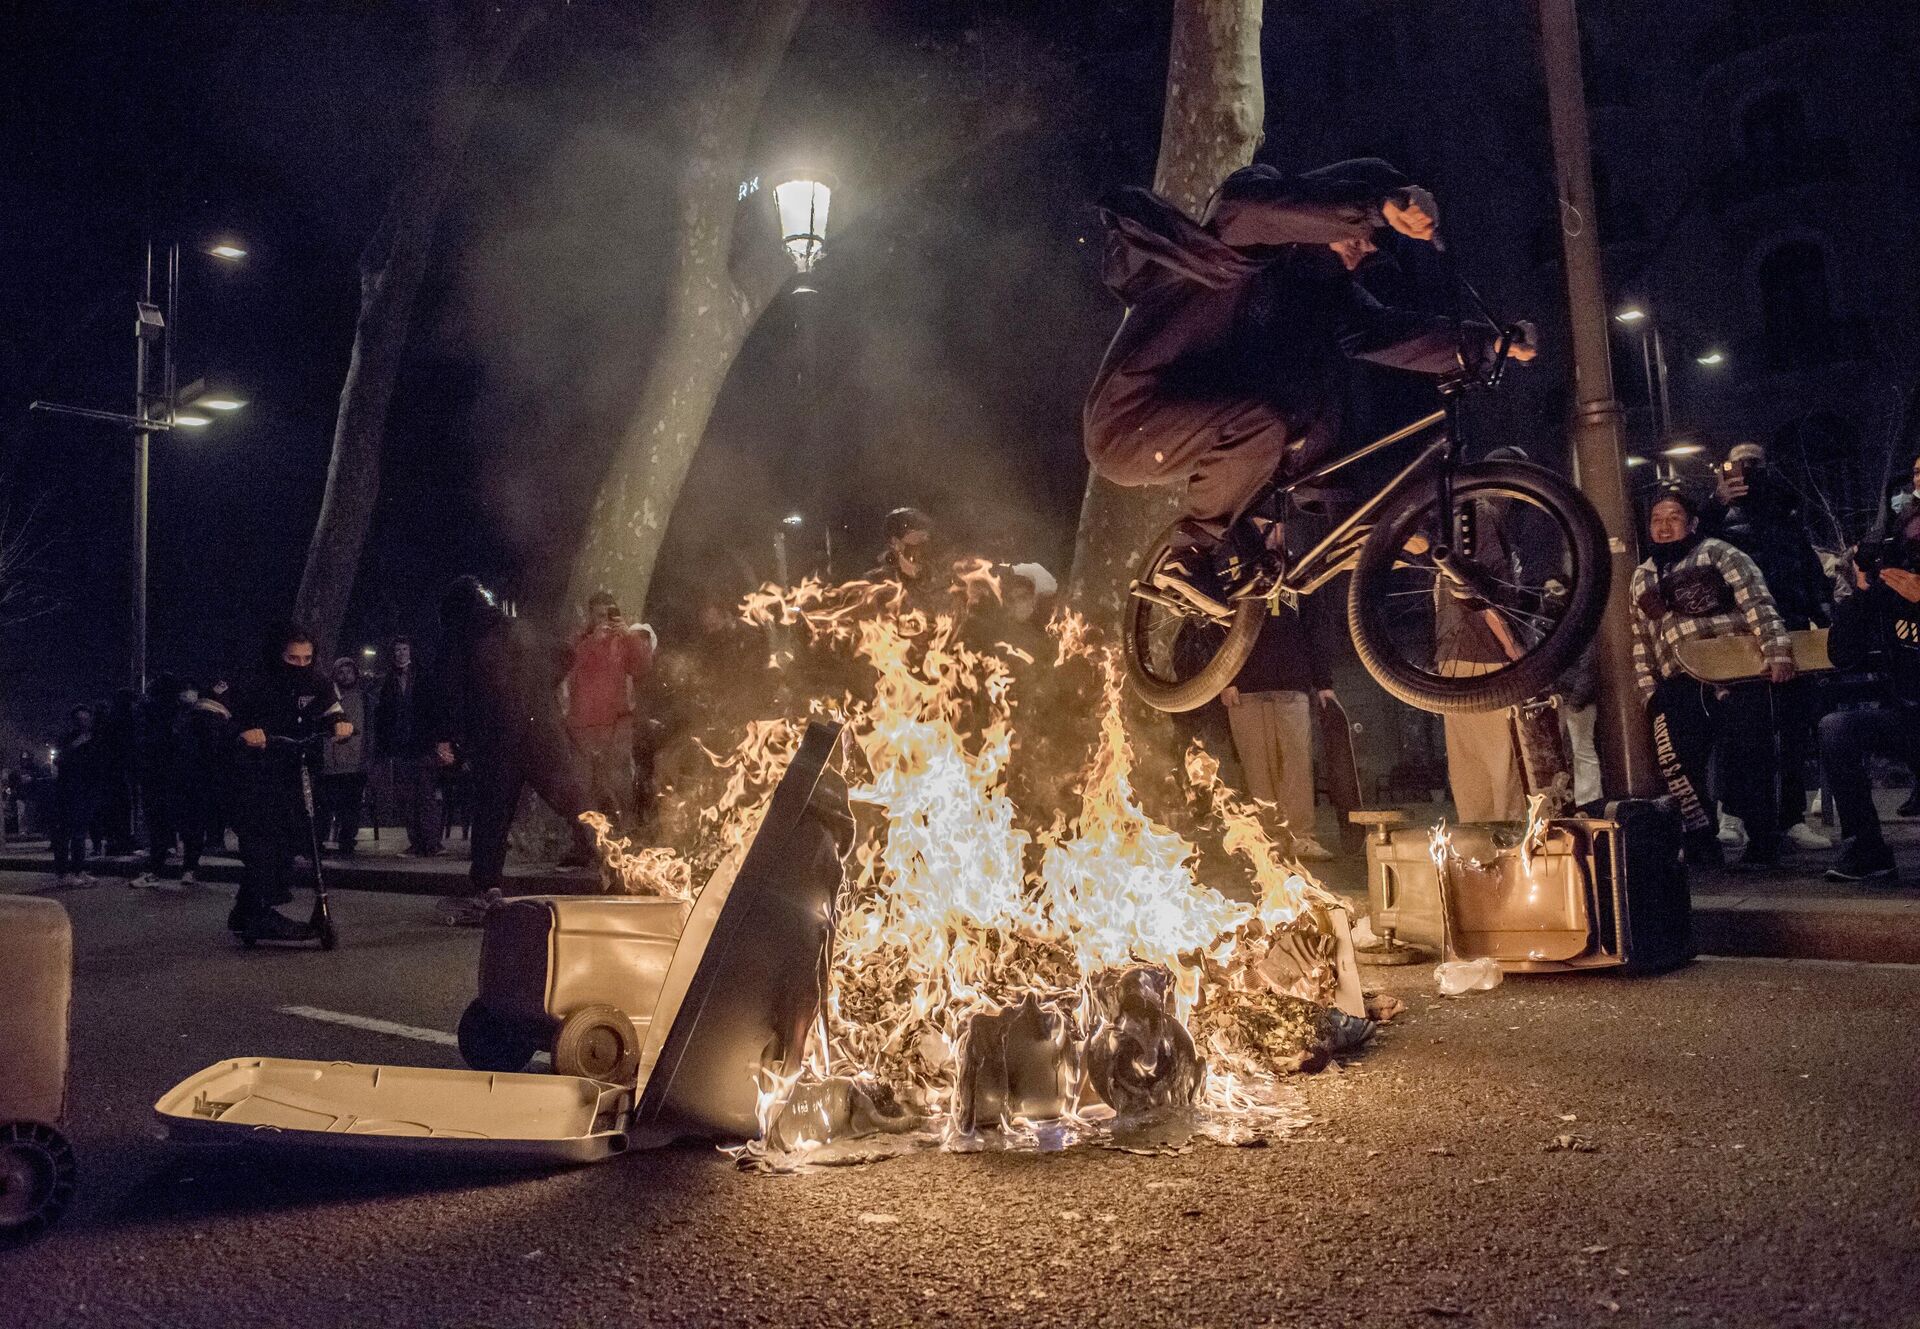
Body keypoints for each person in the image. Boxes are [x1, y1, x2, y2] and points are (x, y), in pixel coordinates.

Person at [1082, 157, 1534, 611]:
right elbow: (1251, 209)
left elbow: (1395, 334)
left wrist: (1489, 344)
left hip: (1210, 419)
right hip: (1130, 421)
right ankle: (1188, 552)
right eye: (1361, 238)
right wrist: (1374, 207)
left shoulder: (1318, 298)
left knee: (1320, 406)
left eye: (1371, 246)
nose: (1365, 248)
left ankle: (1371, 529)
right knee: (1266, 418)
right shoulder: (1240, 248)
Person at [1630, 490, 1792, 867]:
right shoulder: (1642, 576)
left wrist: (1777, 652)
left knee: (1749, 758)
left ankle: (1763, 842)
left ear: (1692, 522)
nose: (1664, 526)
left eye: (1673, 516)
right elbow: (1640, 638)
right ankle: (1701, 840)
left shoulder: (1720, 553)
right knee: (1678, 764)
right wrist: (1648, 692)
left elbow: (1757, 602)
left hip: (1735, 673)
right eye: (1657, 519)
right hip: (1678, 681)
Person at [432, 577, 595, 915]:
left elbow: (450, 692)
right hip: (541, 733)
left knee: (491, 813)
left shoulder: (461, 639)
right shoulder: (521, 628)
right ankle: (621, 858)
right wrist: (540, 689)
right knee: (573, 800)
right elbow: (564, 653)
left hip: (496, 739)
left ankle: (487, 887)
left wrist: (449, 737)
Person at [1705, 441, 1833, 850]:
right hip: (1739, 631)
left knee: (1793, 728)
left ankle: (1790, 816)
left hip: (1791, 625)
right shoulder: (1718, 516)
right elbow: (1696, 554)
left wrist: (1823, 614)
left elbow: (1806, 563)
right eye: (1739, 464)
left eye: (1754, 464)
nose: (1747, 471)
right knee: (1738, 729)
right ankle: (1734, 813)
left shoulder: (1785, 510)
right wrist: (1714, 505)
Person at [228, 622, 352, 942]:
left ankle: (247, 910)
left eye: (306, 659)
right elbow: (228, 716)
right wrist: (246, 732)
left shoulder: (318, 681)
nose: (300, 666)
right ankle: (257, 911)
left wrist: (340, 724)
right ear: (279, 655)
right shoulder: (256, 681)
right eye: (292, 659)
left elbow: (332, 708)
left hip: (300, 765)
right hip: (260, 770)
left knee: (299, 834)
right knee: (263, 839)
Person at [1817, 503, 1920, 881]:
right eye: (1912, 543)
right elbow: (1842, 655)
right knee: (1836, 727)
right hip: (1908, 715)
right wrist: (1863, 592)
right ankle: (1868, 851)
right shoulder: (1893, 589)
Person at [1219, 603, 1337, 859]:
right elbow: (1217, 621)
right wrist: (1225, 679)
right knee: (1257, 768)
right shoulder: (1234, 569)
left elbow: (1317, 625)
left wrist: (1323, 682)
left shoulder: (1302, 574)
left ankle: (1301, 838)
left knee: (1296, 765)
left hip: (1292, 684)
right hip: (1244, 688)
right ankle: (1270, 839)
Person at [563, 590, 655, 835]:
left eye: (609, 614)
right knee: (584, 787)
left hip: (617, 724)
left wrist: (629, 636)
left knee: (620, 784)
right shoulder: (579, 642)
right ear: (590, 616)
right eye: (599, 614)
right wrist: (592, 640)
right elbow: (568, 669)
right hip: (583, 726)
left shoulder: (625, 640)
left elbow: (643, 668)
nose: (604, 619)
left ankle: (627, 836)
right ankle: (586, 841)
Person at [375, 637, 445, 856]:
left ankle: (432, 842)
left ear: (410, 651)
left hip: (422, 744)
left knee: (426, 796)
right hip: (401, 745)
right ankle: (416, 841)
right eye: (397, 650)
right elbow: (383, 714)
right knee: (407, 797)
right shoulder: (388, 680)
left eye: (404, 649)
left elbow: (433, 710)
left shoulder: (423, 677)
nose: (400, 653)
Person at [131, 677, 203, 890]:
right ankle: (189, 869)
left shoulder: (150, 713)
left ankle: (156, 870)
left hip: (160, 776)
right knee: (189, 825)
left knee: (160, 827)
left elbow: (143, 745)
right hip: (184, 775)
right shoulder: (186, 713)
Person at [320, 656, 371, 854]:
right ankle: (320, 841)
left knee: (350, 806)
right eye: (341, 672)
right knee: (325, 804)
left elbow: (369, 730)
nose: (345, 675)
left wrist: (367, 757)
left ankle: (347, 840)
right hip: (330, 762)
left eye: (349, 671)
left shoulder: (364, 698)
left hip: (355, 762)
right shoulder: (327, 697)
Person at [51, 706, 102, 886]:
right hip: (69, 791)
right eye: (79, 719)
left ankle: (79, 870)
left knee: (81, 833)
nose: (83, 723)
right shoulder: (67, 739)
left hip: (87, 790)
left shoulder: (94, 739)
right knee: (65, 832)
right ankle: (63, 873)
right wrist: (76, 745)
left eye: (86, 719)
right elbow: (58, 760)